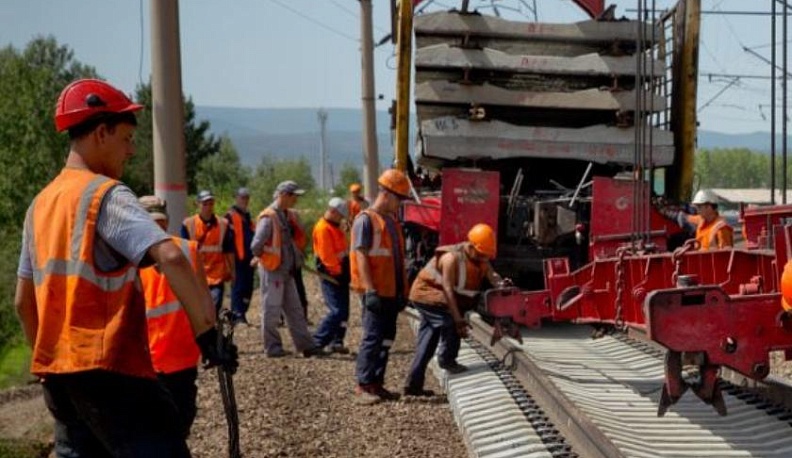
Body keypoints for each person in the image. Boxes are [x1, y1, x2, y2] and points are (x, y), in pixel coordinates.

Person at [14, 78, 236, 457]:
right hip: (109, 368)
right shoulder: (106, 194)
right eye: (127, 138)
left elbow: (23, 301)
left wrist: (45, 365)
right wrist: (207, 335)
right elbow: (170, 257)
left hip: (59, 375)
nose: (131, 150)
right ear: (101, 132)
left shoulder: (41, 205)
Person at [138, 196, 214, 438]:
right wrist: (212, 339)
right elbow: (205, 303)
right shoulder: (186, 249)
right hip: (176, 357)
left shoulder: (127, 257)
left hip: (149, 359)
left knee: (156, 431)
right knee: (177, 425)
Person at [403, 223, 509, 397]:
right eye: (482, 254)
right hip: (426, 296)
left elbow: (492, 276)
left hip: (440, 300)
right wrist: (458, 319)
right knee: (450, 322)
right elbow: (448, 290)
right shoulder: (451, 258)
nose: (484, 258)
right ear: (472, 246)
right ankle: (447, 360)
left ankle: (413, 385)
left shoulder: (480, 258)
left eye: (486, 255)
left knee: (428, 342)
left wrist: (501, 284)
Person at [351, 169, 412, 404]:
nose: (400, 204)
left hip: (391, 290)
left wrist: (401, 291)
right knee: (373, 337)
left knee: (387, 337)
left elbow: (396, 259)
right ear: (386, 194)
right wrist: (370, 290)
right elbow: (362, 255)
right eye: (400, 199)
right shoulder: (366, 220)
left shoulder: (391, 222)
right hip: (376, 290)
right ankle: (364, 385)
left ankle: (377, 383)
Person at [251, 180, 324, 358]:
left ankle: (306, 346)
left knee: (295, 310)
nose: (296, 200)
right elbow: (256, 246)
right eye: (294, 196)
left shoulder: (286, 215)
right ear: (283, 195)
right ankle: (272, 348)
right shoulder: (269, 217)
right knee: (271, 310)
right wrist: (267, 260)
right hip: (273, 270)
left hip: (286, 271)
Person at [182, 190, 236, 315]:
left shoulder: (223, 224)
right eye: (205, 203)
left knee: (214, 307)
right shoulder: (188, 224)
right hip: (196, 275)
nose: (208, 207)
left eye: (211, 203)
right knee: (197, 310)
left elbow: (229, 250)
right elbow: (184, 250)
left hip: (216, 275)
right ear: (198, 204)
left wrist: (233, 271)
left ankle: (212, 331)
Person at [312, 197, 352, 354]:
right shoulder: (323, 229)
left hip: (340, 274)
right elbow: (328, 257)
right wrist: (339, 274)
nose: (342, 218)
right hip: (331, 275)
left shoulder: (335, 227)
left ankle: (337, 341)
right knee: (336, 311)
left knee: (344, 311)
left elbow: (342, 251)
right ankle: (317, 341)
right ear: (333, 212)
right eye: (340, 215)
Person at [663, 189, 734, 250]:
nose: (697, 210)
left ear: (708, 207)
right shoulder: (701, 220)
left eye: (699, 207)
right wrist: (665, 211)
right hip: (700, 260)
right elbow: (684, 218)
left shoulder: (721, 227)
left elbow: (725, 255)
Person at [225, 187, 256, 325]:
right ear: (236, 198)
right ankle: (237, 315)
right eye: (242, 197)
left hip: (249, 259)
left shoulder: (248, 217)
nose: (245, 200)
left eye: (247, 198)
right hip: (237, 259)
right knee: (238, 287)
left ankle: (242, 312)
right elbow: (228, 240)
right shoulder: (230, 217)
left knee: (248, 288)